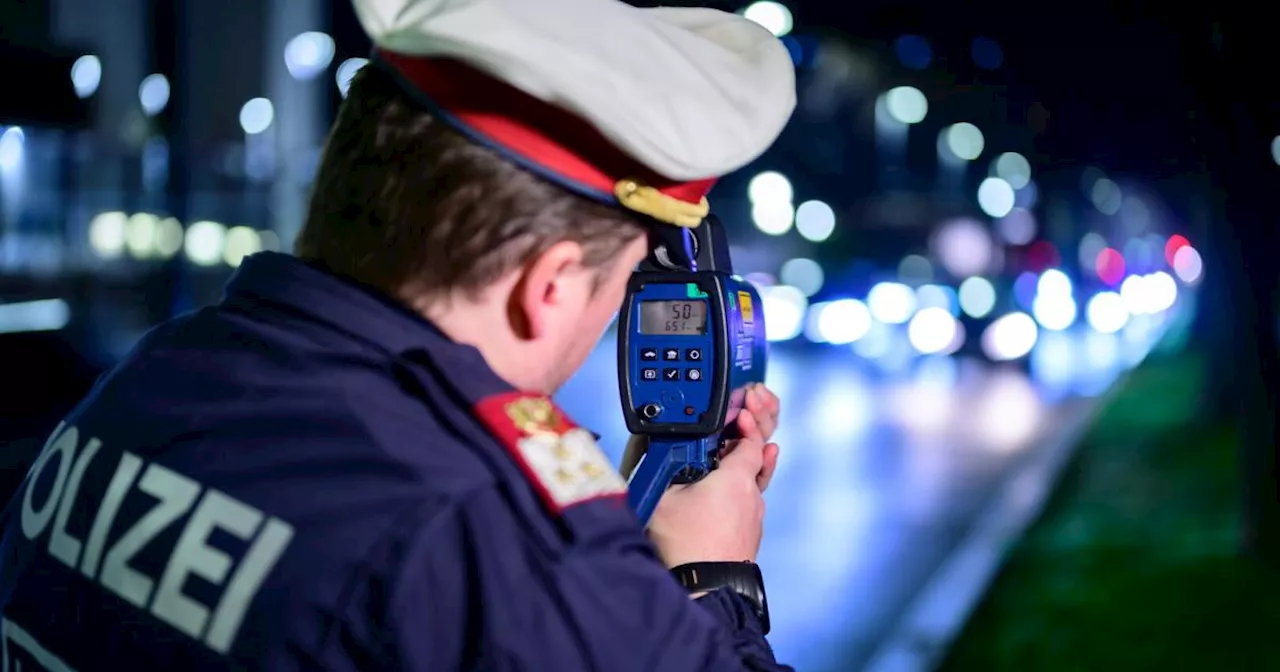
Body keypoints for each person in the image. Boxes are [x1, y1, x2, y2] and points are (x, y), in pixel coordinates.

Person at [0, 0, 797, 668]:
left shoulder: (147, 382)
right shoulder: (496, 545)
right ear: (546, 287)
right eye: (617, 286)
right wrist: (712, 578)